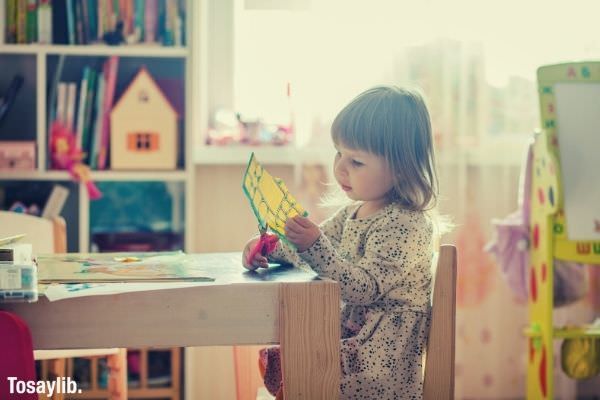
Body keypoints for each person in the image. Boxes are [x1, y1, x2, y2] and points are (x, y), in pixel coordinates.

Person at [243, 85, 440, 400]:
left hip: (380, 361)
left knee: (302, 363)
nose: (340, 168)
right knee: (290, 353)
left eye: (357, 162)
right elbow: (311, 250)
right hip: (354, 340)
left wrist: (313, 245)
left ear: (402, 168)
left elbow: (363, 288)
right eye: (339, 153)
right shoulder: (353, 213)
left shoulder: (407, 224)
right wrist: (270, 248)